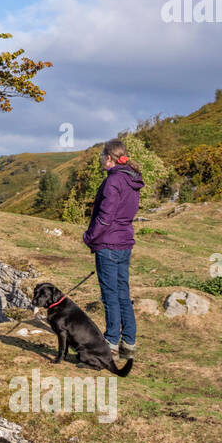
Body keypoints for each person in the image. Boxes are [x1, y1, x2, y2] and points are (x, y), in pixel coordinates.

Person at [82, 139, 144, 358]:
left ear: (109, 157)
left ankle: (110, 344)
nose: (100, 158)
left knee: (110, 296)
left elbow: (105, 218)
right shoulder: (131, 179)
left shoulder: (114, 181)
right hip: (124, 243)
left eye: (101, 155)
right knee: (122, 294)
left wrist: (89, 237)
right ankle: (129, 343)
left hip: (108, 244)